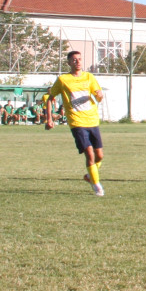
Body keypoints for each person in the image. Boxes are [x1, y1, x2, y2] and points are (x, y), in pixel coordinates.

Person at [44, 51, 107, 197]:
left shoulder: (89, 77)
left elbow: (98, 96)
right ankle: (97, 186)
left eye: (79, 59)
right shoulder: (63, 79)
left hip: (92, 120)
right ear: (68, 63)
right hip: (76, 121)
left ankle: (90, 176)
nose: (77, 62)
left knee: (99, 156)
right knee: (89, 154)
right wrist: (49, 119)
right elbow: (50, 98)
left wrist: (99, 96)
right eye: (74, 60)